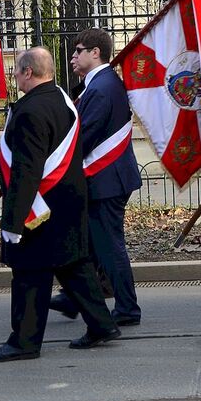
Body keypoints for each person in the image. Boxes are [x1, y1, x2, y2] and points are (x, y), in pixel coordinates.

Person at [0, 47, 119, 363]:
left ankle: (24, 342)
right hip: (69, 201)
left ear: (29, 72)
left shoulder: (31, 111)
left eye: (16, 69)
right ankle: (102, 324)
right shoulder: (60, 99)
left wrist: (14, 222)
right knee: (73, 266)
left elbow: (26, 170)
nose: (13, 74)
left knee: (30, 273)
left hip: (40, 208)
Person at [49, 29, 143, 326]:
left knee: (109, 246)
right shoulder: (99, 84)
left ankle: (127, 308)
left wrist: (52, 158)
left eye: (79, 50)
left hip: (106, 181)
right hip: (105, 178)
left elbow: (83, 136)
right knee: (88, 242)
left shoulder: (102, 87)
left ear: (95, 53)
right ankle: (75, 296)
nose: (73, 56)